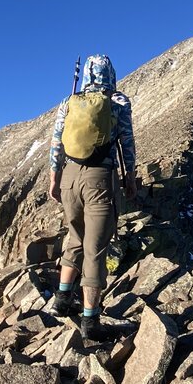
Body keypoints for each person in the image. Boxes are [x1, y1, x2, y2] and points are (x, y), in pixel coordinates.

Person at [47, 54, 136, 340]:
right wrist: (130, 179)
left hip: (69, 178)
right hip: (100, 179)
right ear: (111, 74)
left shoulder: (69, 102)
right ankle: (91, 320)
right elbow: (127, 143)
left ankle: (62, 299)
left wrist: (54, 179)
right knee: (95, 247)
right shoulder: (119, 102)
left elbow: (56, 142)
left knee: (74, 236)